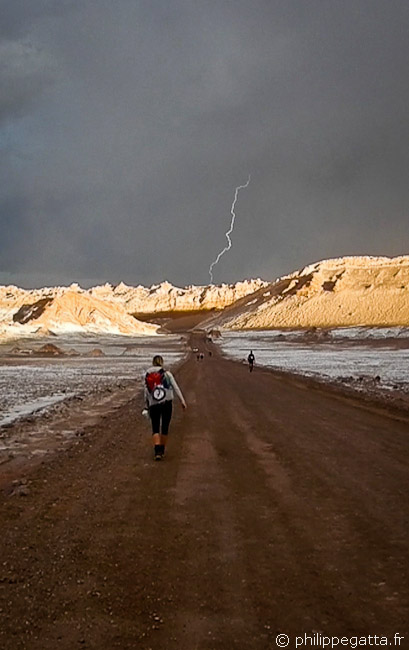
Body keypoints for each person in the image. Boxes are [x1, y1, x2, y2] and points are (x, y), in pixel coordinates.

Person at [144, 355, 187, 461]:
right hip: (166, 403)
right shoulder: (167, 374)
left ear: (153, 362)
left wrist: (147, 405)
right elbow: (175, 387)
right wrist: (182, 401)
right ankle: (162, 450)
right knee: (165, 427)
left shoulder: (148, 375)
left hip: (153, 404)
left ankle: (157, 451)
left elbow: (146, 392)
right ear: (162, 362)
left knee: (155, 428)